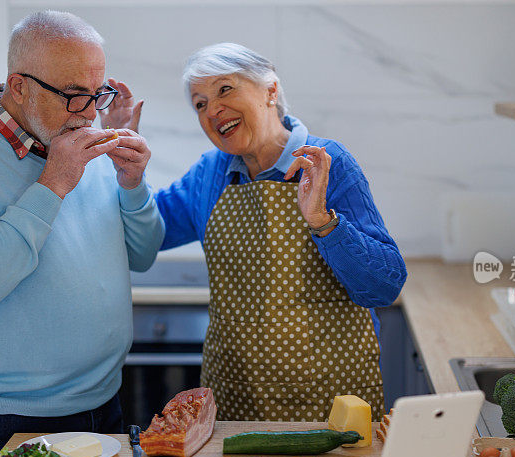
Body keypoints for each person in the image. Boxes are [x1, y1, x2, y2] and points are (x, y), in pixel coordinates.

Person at [0, 11, 163, 457]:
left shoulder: (78, 136)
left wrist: (132, 184)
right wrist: (52, 185)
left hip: (104, 403)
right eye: (73, 95)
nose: (89, 113)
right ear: (20, 86)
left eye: (98, 94)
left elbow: (143, 253)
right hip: (5, 419)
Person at [108, 43, 406, 422]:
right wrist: (126, 168)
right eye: (200, 103)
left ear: (270, 90)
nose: (212, 109)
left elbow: (384, 286)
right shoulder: (211, 173)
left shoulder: (327, 163)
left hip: (330, 398)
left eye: (225, 89)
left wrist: (322, 221)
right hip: (235, 395)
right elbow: (147, 231)